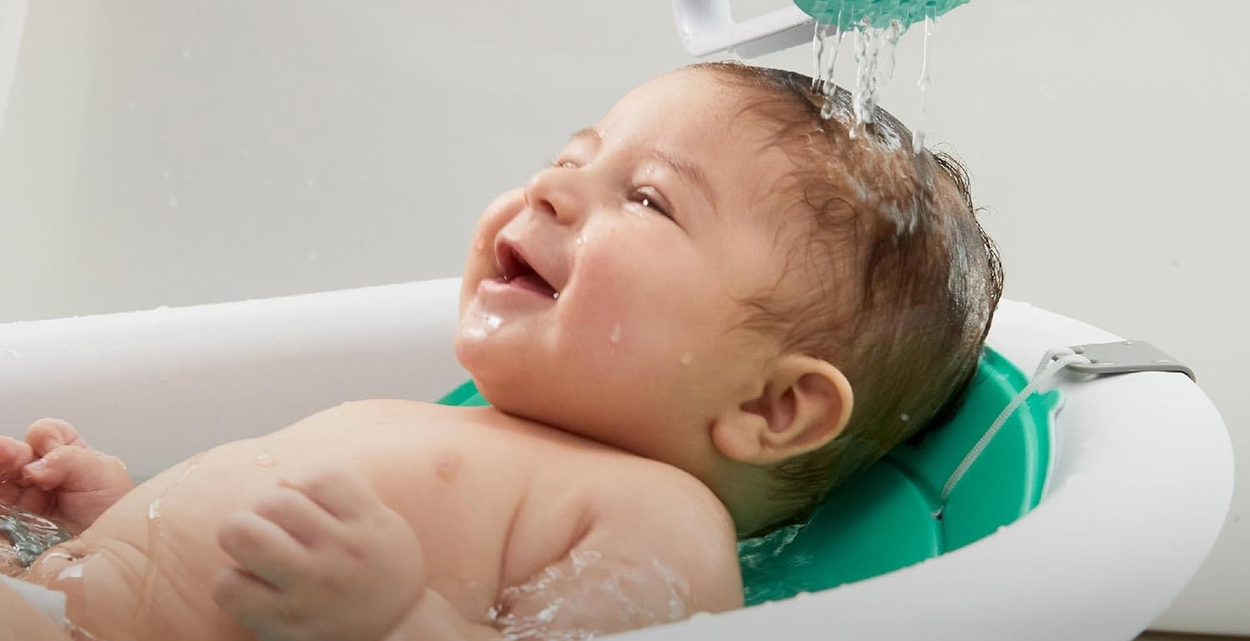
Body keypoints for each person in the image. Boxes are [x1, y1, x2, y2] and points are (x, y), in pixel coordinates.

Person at [1, 63, 1001, 641]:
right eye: (570, 160)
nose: (547, 191)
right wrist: (113, 509)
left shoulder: (660, 521)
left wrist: (393, 617)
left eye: (645, 198)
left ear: (770, 408)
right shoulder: (462, 422)